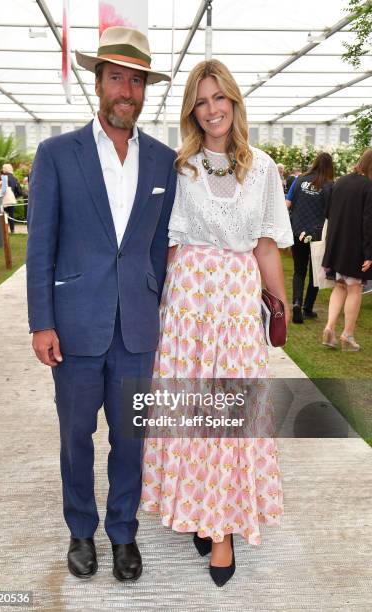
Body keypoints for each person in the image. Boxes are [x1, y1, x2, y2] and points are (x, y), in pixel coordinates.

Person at [26, 26, 176, 582]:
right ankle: (81, 530)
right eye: (117, 78)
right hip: (74, 327)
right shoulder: (56, 154)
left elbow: (159, 246)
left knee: (130, 438)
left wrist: (151, 300)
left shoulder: (162, 162)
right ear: (98, 83)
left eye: (137, 82)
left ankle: (122, 533)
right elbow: (39, 245)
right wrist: (42, 321)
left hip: (136, 329)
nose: (127, 91)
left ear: (144, 91)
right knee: (75, 438)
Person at [140, 59, 293, 587]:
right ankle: (202, 511)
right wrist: (152, 307)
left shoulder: (265, 168)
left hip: (235, 308)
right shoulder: (180, 167)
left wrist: (279, 301)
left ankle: (222, 526)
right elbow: (169, 243)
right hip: (188, 309)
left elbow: (266, 244)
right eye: (201, 101)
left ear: (234, 101)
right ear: (192, 110)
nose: (211, 110)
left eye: (218, 98)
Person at [322, 148, 372, 351]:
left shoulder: (340, 182)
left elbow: (327, 213)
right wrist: (369, 253)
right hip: (355, 247)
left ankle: (329, 328)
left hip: (336, 243)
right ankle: (347, 335)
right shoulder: (369, 187)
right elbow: (369, 222)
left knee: (340, 286)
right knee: (354, 288)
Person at [286, 153, 334, 323]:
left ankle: (296, 303)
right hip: (317, 234)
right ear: (330, 167)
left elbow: (288, 204)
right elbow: (331, 213)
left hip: (297, 231)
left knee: (299, 270)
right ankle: (307, 308)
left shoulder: (299, 180)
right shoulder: (329, 186)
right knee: (315, 273)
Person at [0, 163, 23, 233]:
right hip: (12, 199)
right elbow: (18, 190)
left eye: (3, 168)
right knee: (11, 215)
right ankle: (12, 230)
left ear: (5, 169)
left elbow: (3, 190)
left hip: (5, 199)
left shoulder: (4, 177)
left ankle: (3, 231)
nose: (2, 169)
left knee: (3, 214)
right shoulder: (15, 178)